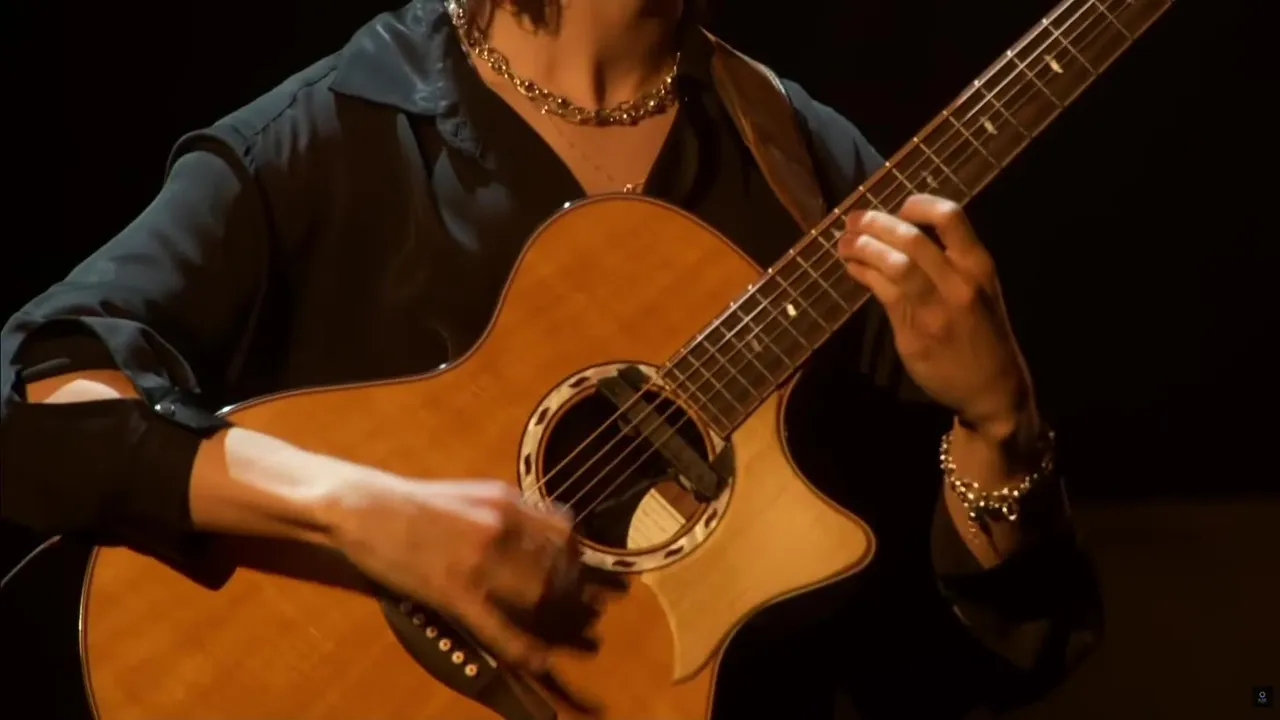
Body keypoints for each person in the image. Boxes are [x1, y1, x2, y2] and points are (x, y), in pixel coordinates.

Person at [0, 0, 1101, 717]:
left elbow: (963, 668)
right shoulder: (332, 131)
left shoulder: (808, 172)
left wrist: (999, 425)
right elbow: (39, 412)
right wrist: (367, 515)